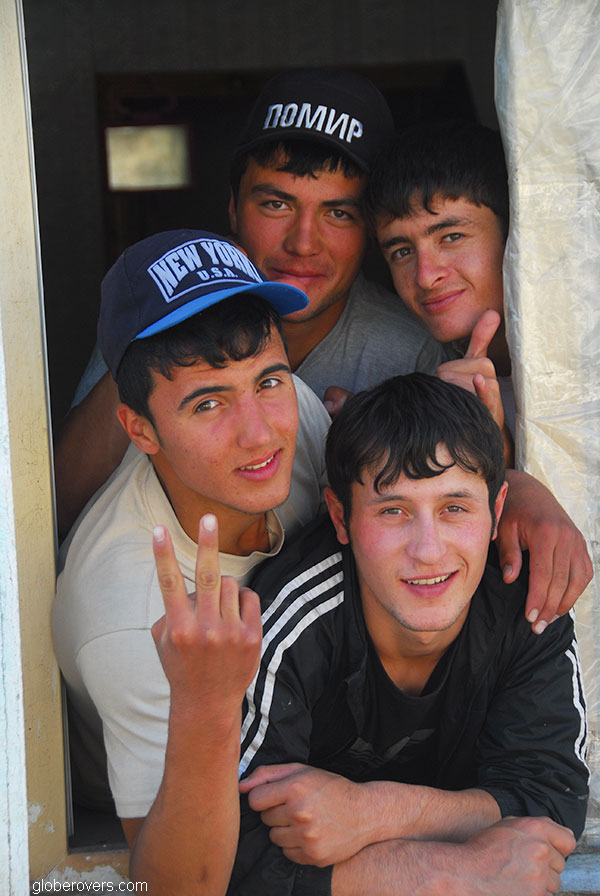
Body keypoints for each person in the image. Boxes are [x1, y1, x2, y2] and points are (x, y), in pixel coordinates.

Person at [225, 373, 588, 895]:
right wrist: (444, 870)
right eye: (393, 511)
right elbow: (231, 847)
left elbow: (552, 803)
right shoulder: (291, 616)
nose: (428, 549)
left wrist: (374, 812)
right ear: (340, 517)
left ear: (497, 512)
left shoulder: (522, 599)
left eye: (455, 508)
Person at [53, 228, 332, 890]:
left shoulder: (295, 420)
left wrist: (513, 488)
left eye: (268, 379)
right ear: (139, 429)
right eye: (208, 402)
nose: (259, 430)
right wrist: (205, 698)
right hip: (191, 784)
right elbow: (179, 884)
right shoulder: (127, 610)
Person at [54, 68, 447, 537]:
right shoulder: (164, 304)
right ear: (233, 208)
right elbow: (58, 508)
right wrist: (165, 328)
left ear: (373, 230)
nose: (304, 243)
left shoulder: (409, 352)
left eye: (339, 213)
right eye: (276, 205)